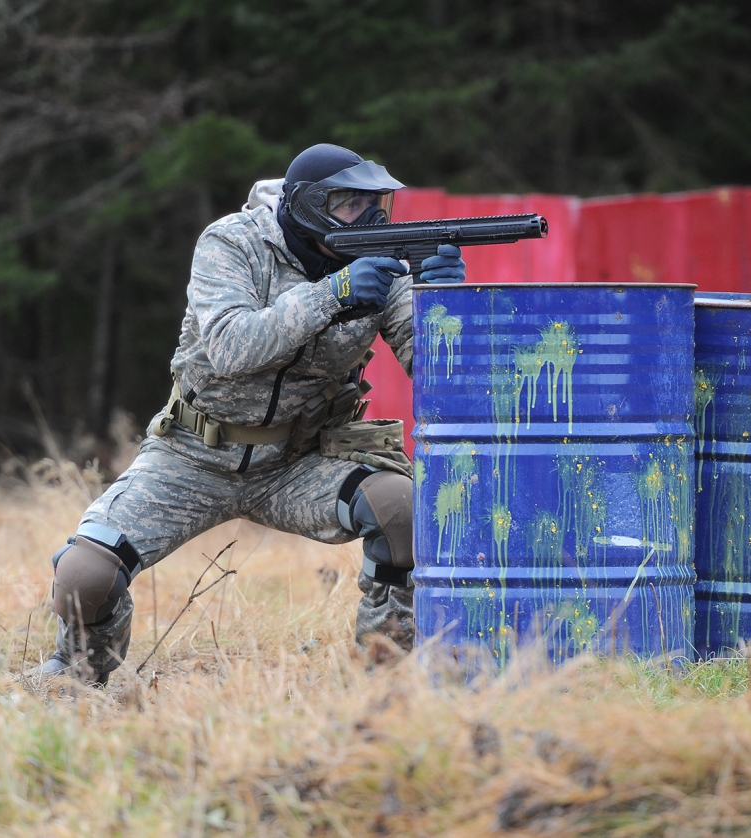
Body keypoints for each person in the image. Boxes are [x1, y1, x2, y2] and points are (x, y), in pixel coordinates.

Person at [27, 143, 466, 685]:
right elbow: (233, 347)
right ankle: (78, 677)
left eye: (378, 205)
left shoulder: (381, 270)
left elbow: (439, 377)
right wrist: (333, 294)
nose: (372, 219)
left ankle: (390, 674)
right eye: (351, 204)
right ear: (308, 206)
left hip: (300, 461)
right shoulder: (231, 243)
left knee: (402, 510)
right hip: (193, 454)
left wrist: (444, 302)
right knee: (85, 574)